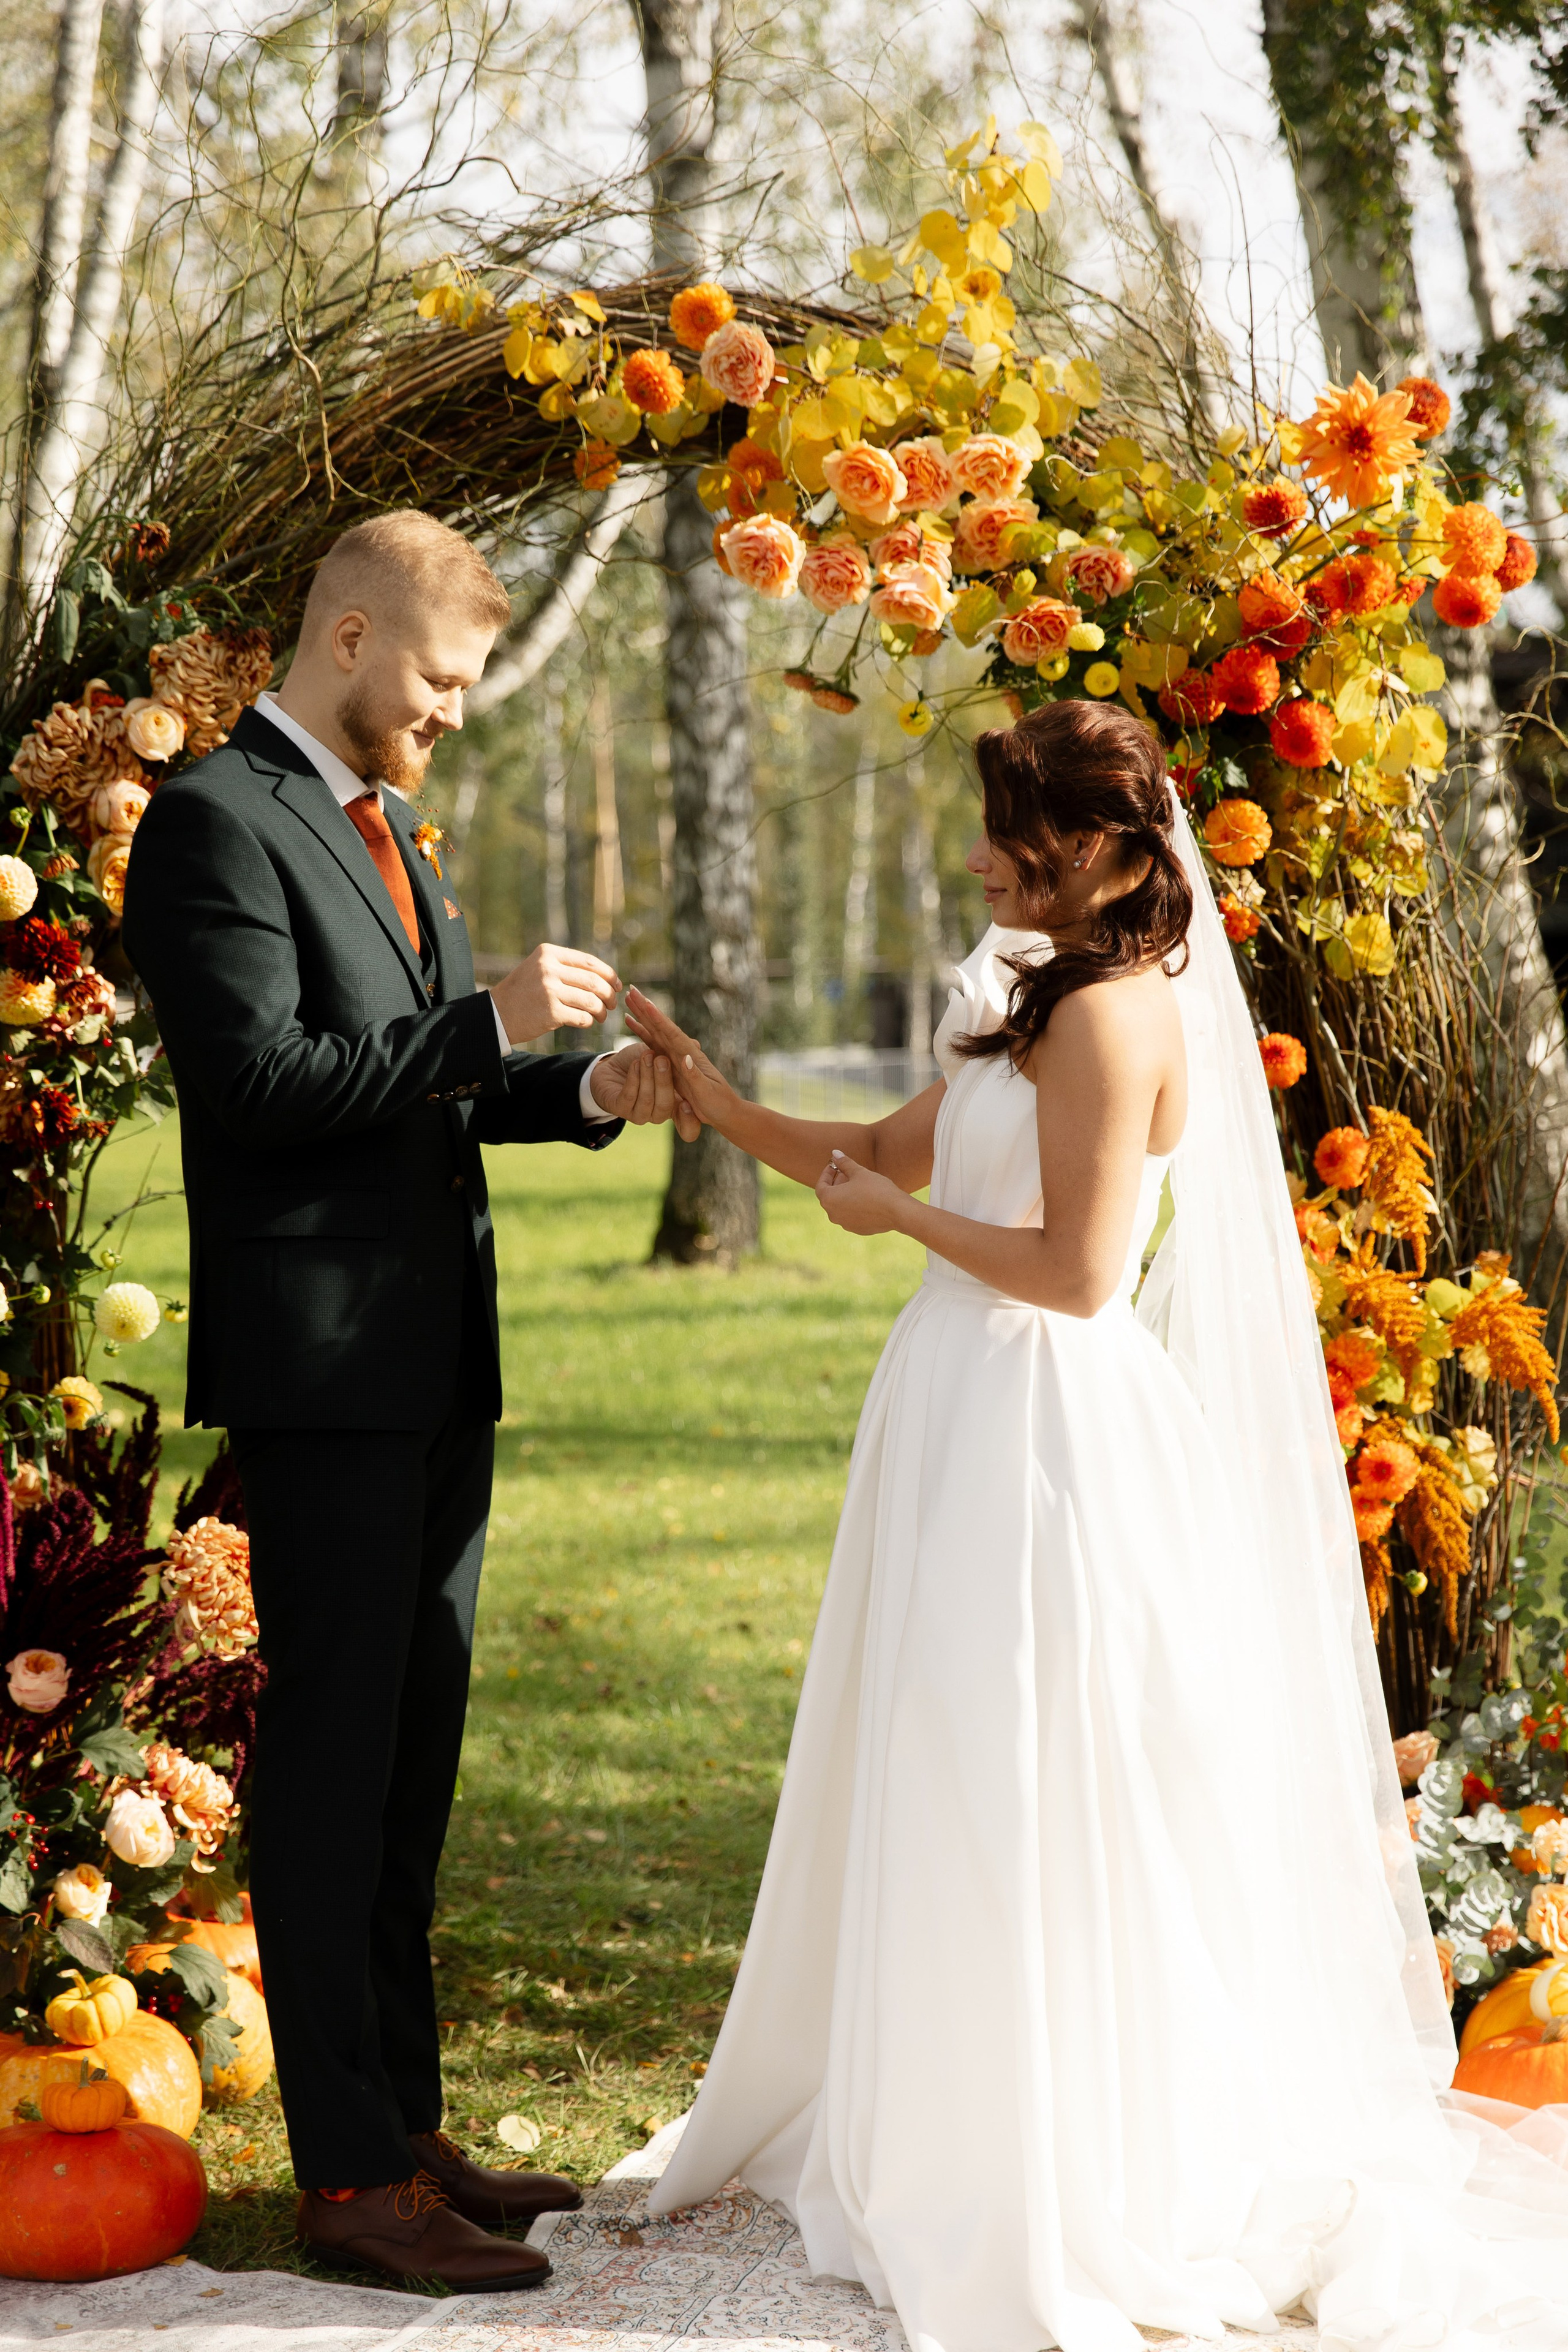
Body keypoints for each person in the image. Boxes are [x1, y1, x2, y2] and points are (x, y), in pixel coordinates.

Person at [628, 699, 1568, 2352]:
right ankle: (943, 2103)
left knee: (1038, 1767)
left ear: (1110, 854)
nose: (984, 853)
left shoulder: (1120, 1020)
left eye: (1015, 830)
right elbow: (867, 1151)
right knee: (936, 1757)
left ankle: (1064, 2145)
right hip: (952, 1406)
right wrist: (710, 1099)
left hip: (1047, 1428)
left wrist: (903, 1217)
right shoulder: (1020, 1000)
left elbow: (1073, 1273)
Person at [122, 510, 691, 2293]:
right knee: (328, 1771)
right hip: (323, 1380)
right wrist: (483, 1017)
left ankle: (407, 2127)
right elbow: (264, 1085)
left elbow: (426, 1090)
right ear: (352, 639)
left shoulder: (385, 828)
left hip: (438, 1372)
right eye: (440, 680)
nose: (449, 713)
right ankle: (350, 2187)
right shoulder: (215, 822)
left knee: (409, 1769)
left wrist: (579, 1083)